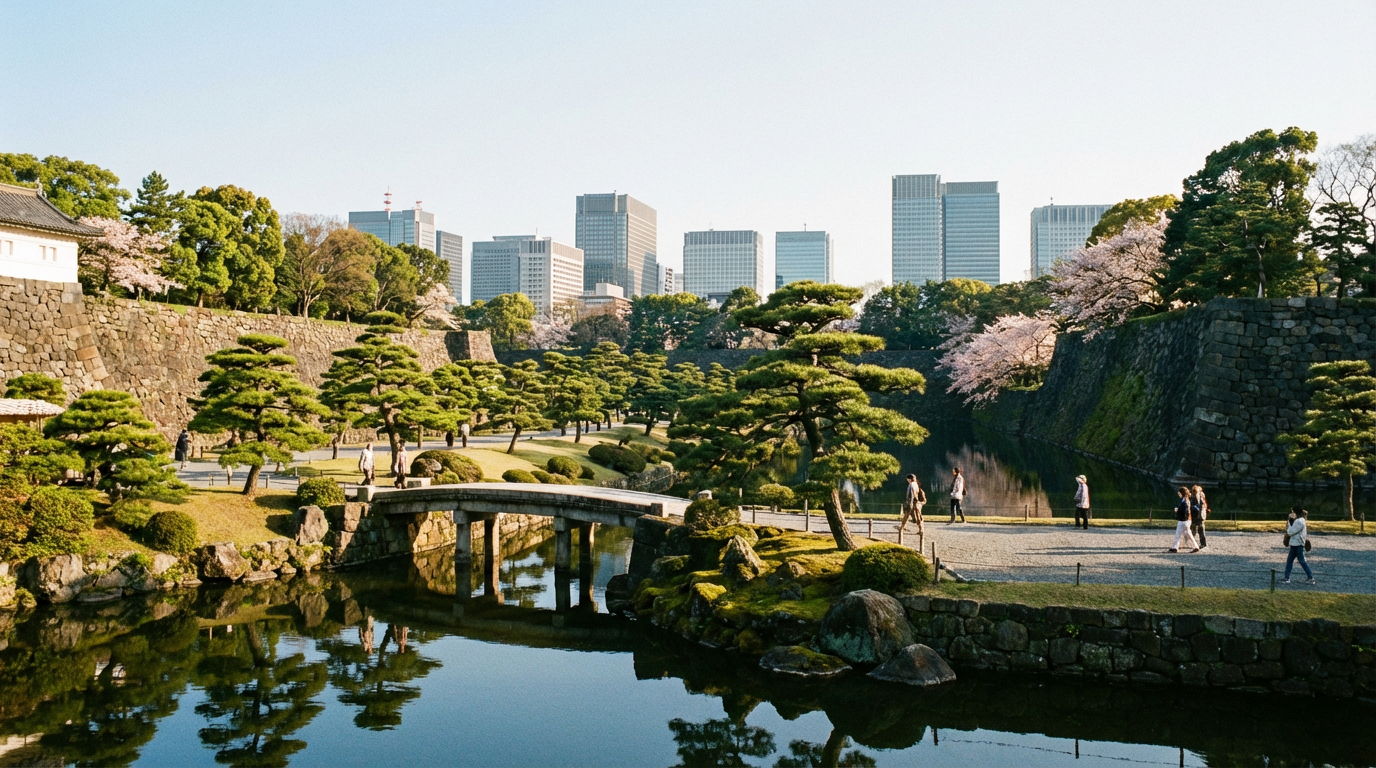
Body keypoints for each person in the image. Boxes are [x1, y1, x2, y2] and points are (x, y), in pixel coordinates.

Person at [1282, 508, 1315, 584]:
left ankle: (1311, 577)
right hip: (1295, 544)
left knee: (1302, 561)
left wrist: (1289, 523)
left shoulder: (1299, 521)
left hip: (1298, 544)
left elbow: (1290, 532)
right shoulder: (1300, 521)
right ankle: (1286, 577)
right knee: (1290, 561)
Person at [1168, 486, 1200, 553]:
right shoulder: (1186, 500)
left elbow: (1185, 511)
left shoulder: (1184, 501)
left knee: (1178, 534)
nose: (1178, 495)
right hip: (1187, 520)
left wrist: (1177, 510)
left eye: (1179, 493)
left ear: (1181, 493)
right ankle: (1196, 546)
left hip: (1183, 520)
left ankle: (1175, 547)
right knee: (1189, 534)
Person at [899, 474, 926, 540]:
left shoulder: (911, 485)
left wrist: (909, 503)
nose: (907, 481)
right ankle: (921, 530)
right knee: (918, 517)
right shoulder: (916, 484)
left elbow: (911, 495)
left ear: (910, 479)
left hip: (912, 503)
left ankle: (902, 528)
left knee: (907, 516)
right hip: (915, 503)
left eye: (907, 479)